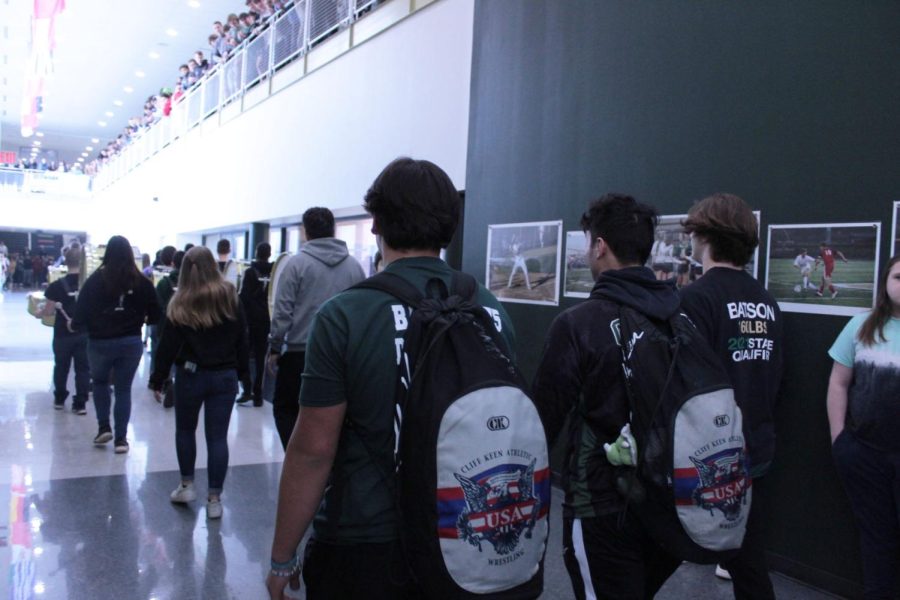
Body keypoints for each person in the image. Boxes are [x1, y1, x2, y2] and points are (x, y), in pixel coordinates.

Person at [266, 158, 515, 599]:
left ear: (376, 222)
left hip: (365, 538)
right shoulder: (490, 308)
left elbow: (313, 451)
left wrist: (283, 556)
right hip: (465, 531)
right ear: (450, 227)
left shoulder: (345, 315)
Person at [533, 193, 683, 599]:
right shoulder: (679, 318)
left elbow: (542, 421)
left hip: (600, 504)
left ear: (600, 246)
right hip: (670, 502)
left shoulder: (577, 325)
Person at [679, 193, 783, 598]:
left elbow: (687, 382)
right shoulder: (766, 301)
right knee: (748, 558)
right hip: (755, 445)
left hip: (710, 454)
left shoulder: (695, 298)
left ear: (704, 237)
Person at [149, 246, 251, 520]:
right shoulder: (230, 296)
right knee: (217, 438)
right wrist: (245, 376)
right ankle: (215, 499)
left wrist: (157, 380)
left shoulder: (179, 301)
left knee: (185, 430)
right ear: (213, 267)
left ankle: (187, 486)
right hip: (224, 376)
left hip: (190, 375)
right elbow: (243, 338)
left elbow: (166, 346)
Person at [827, 255, 900, 599]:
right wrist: (839, 438)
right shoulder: (861, 326)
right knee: (877, 540)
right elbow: (839, 383)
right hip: (865, 455)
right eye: (899, 277)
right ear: (886, 282)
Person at [267, 207, 365, 448]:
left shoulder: (296, 265)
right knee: (336, 414)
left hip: (300, 354)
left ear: (306, 232)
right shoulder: (354, 267)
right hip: (341, 356)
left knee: (286, 410)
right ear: (333, 230)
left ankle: (298, 462)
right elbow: (362, 312)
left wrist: (275, 347)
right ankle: (329, 469)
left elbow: (283, 310)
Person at [72, 235, 161, 453]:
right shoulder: (142, 282)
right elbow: (157, 314)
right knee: (123, 390)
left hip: (100, 342)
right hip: (130, 342)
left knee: (101, 383)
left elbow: (80, 315)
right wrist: (141, 319)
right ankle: (121, 440)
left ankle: (104, 427)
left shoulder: (95, 281)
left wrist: (79, 325)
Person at [43, 246, 90, 414]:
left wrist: (39, 312)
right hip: (84, 333)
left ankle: (59, 399)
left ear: (65, 260)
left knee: (61, 367)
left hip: (62, 334)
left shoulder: (55, 286)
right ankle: (80, 403)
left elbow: (48, 311)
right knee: (83, 369)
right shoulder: (90, 285)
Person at [238, 242, 272, 406]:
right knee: (260, 357)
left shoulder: (250, 272)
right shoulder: (274, 273)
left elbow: (243, 297)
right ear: (269, 254)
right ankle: (258, 393)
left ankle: (246, 389)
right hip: (266, 321)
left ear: (256, 253)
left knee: (244, 355)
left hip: (250, 320)